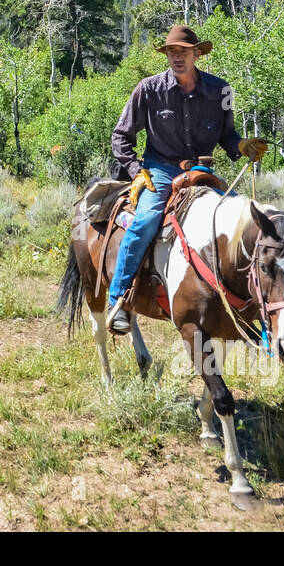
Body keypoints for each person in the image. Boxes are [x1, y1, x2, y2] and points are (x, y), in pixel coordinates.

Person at [105, 24, 268, 335]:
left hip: (201, 170)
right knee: (145, 222)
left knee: (241, 222)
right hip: (160, 170)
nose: (176, 57)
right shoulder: (149, 90)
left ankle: (247, 307)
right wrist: (134, 170)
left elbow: (227, 135)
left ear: (197, 54)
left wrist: (242, 145)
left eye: (183, 51)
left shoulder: (221, 91)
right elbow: (121, 135)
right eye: (171, 51)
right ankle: (119, 300)